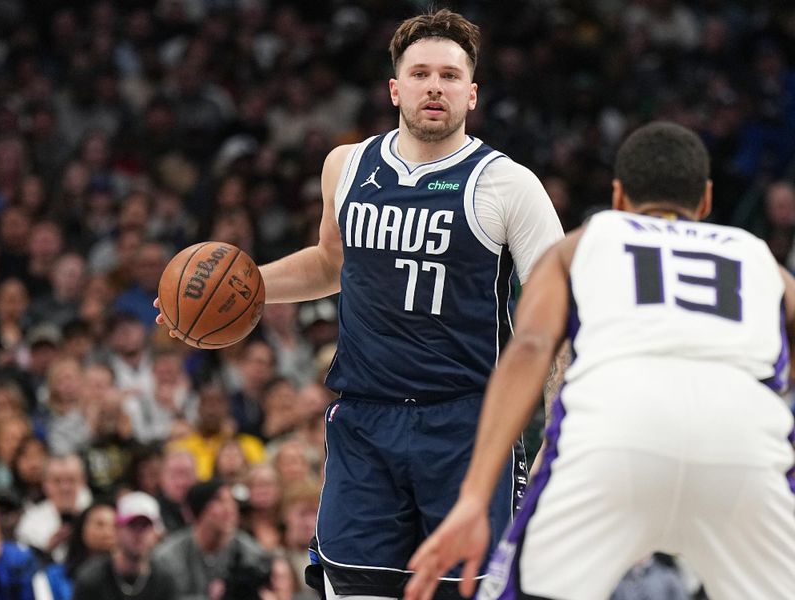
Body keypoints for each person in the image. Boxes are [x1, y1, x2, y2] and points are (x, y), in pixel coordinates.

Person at [152, 8, 565, 599]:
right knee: (352, 590)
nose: (434, 87)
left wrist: (556, 429)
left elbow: (557, 316)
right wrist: (234, 295)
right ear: (395, 87)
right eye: (420, 73)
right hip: (365, 421)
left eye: (449, 77)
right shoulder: (346, 166)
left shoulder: (508, 185)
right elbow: (330, 265)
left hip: (467, 424)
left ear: (471, 95)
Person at [404, 122, 795, 600]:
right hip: (743, 445)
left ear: (618, 196)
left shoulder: (585, 241)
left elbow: (528, 349)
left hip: (615, 431)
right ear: (707, 200)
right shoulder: (759, 258)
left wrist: (473, 497)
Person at [153, 478, 270, 600]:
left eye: (232, 502)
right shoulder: (168, 557)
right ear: (199, 509)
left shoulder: (251, 554)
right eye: (219, 501)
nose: (229, 509)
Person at [72, 491, 178, 600]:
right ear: (117, 529)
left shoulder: (165, 579)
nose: (139, 534)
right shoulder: (91, 579)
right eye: (132, 526)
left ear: (156, 534)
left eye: (145, 526)